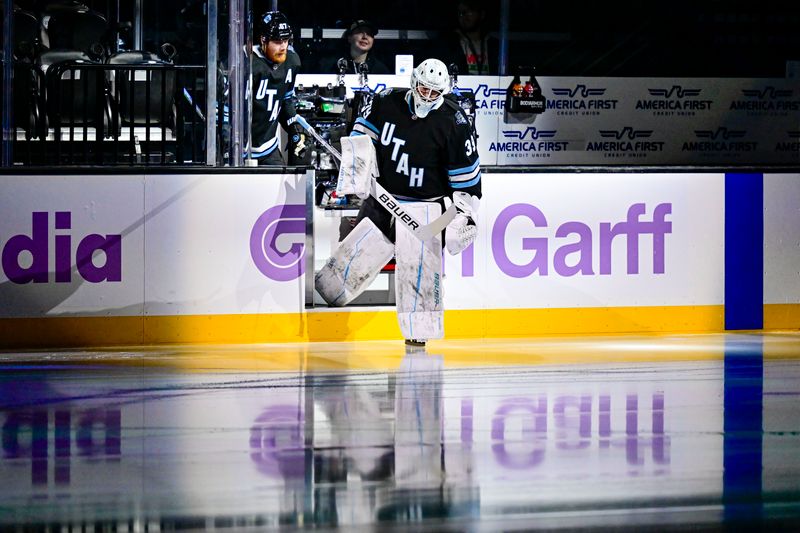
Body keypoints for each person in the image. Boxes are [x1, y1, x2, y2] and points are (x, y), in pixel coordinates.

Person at [315, 58, 481, 347]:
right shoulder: (385, 101)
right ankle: (323, 314)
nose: (427, 96)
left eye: (434, 92)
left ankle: (419, 336)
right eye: (423, 88)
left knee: (421, 281)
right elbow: (360, 138)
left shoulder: (455, 122)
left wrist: (463, 217)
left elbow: (467, 183)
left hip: (425, 209)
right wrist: (358, 168)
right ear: (413, 81)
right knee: (341, 274)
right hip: (383, 199)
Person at [249, 11, 306, 165]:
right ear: (263, 40)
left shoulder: (292, 62)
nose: (283, 46)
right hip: (241, 150)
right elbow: (228, 111)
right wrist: (227, 146)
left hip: (269, 147)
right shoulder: (247, 64)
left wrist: (294, 129)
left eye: (286, 40)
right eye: (277, 41)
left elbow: (286, 100)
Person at [440, 0, 497, 76]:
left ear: (482, 15)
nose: (464, 16)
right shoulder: (450, 44)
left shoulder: (494, 45)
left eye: (469, 11)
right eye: (461, 13)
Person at [320, 19, 390, 75]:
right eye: (360, 32)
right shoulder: (332, 66)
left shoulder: (380, 70)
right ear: (349, 38)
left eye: (369, 34)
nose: (365, 37)